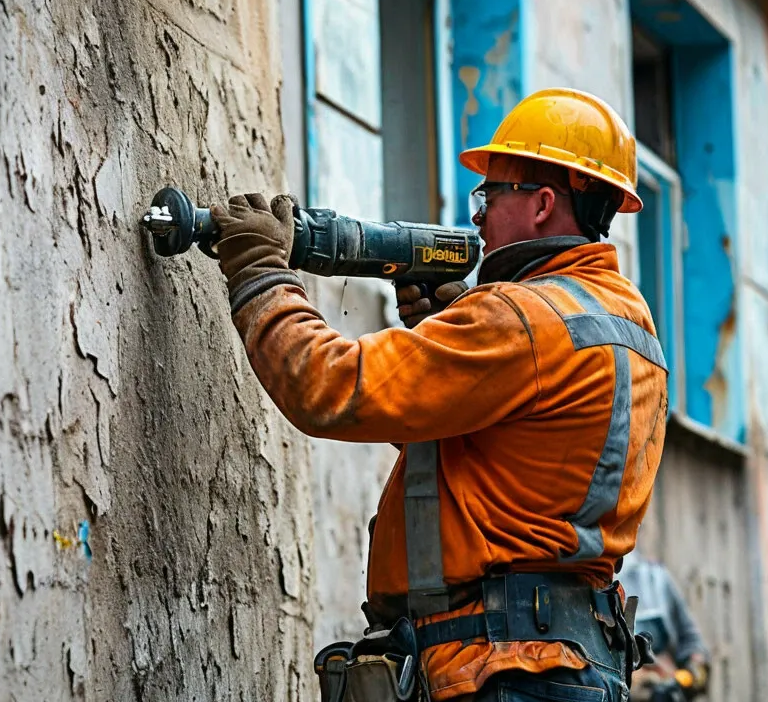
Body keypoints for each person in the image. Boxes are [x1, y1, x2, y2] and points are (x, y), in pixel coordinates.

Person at [209, 87, 668, 702]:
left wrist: (261, 274)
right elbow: (503, 451)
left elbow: (332, 386)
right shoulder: (626, 320)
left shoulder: (521, 321)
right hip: (564, 660)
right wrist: (443, 344)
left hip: (501, 667)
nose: (476, 215)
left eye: (492, 192)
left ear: (542, 204)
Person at [619, 551, 712, 701]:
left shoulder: (654, 576)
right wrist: (634, 679)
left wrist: (692, 670)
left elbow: (692, 640)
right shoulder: (583, 579)